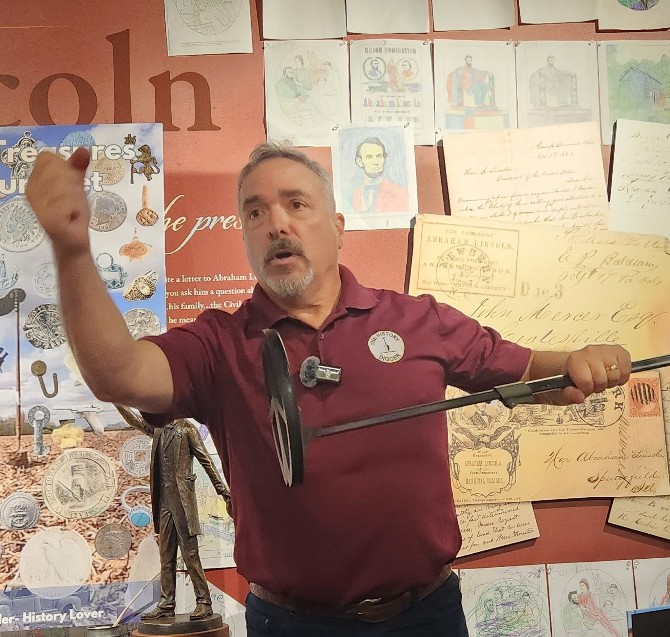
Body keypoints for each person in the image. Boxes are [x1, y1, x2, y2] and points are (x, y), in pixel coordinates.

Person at [25, 143, 631, 637]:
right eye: (255, 213)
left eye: (296, 204)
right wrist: (72, 250)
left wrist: (578, 361)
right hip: (291, 624)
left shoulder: (418, 321)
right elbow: (119, 374)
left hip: (426, 616)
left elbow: (528, 373)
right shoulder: (219, 345)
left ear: (338, 228)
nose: (276, 224)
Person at [115, 405, 230, 621]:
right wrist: (117, 401)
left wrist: (223, 491)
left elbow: (206, 461)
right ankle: (166, 604)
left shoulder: (187, 430)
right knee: (166, 554)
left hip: (182, 500)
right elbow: (134, 420)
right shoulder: (158, 429)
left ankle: (204, 602)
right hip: (164, 501)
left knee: (190, 554)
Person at [347, 137, 409, 213]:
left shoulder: (400, 193)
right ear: (359, 162)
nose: (376, 162)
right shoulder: (355, 195)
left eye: (379, 156)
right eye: (369, 157)